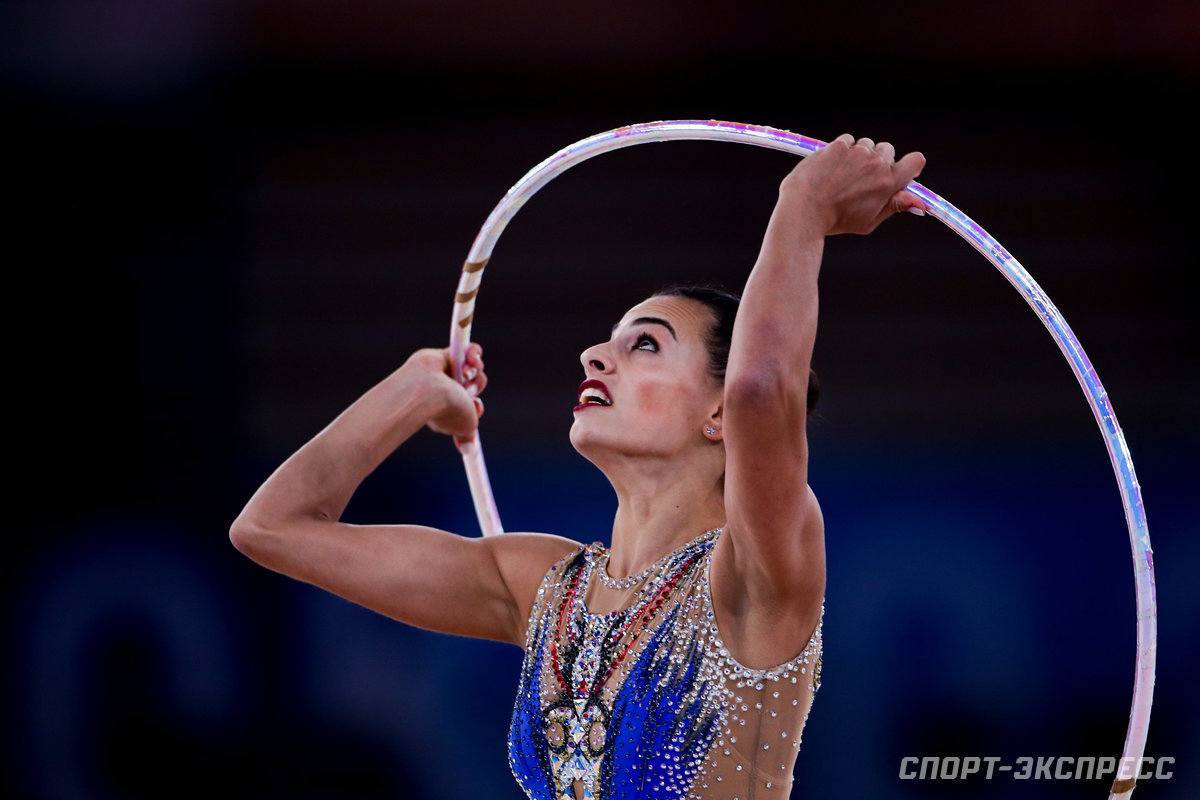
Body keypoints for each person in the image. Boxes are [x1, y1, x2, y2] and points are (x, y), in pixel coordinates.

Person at [231, 133, 927, 799]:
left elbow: (761, 391)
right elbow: (270, 529)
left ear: (717, 415)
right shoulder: (541, 589)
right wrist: (407, 393)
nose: (595, 355)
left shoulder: (756, 574)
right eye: (607, 341)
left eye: (645, 345)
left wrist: (802, 205)